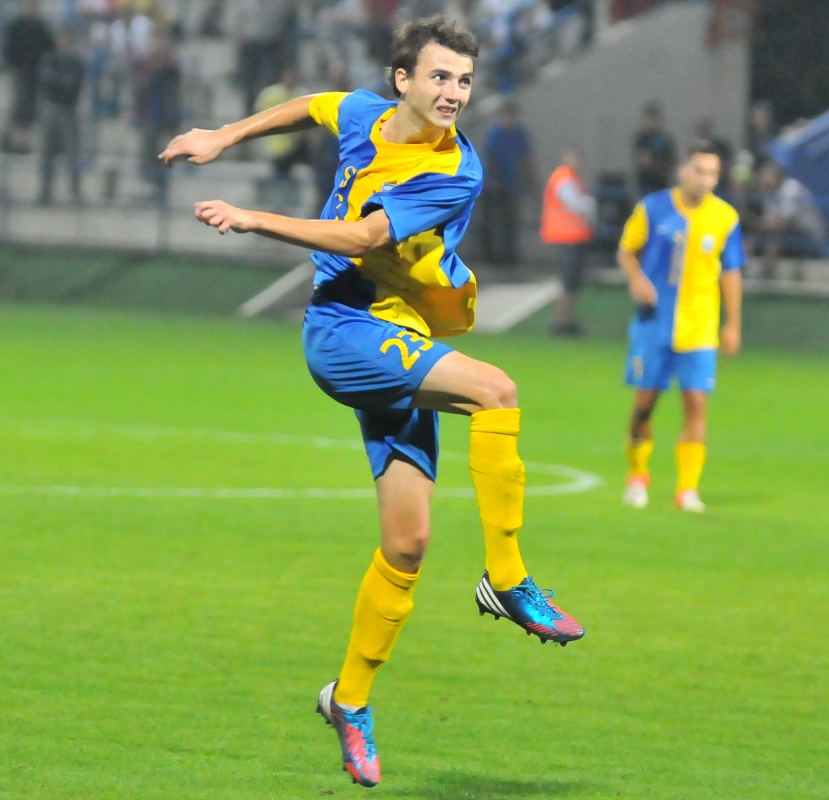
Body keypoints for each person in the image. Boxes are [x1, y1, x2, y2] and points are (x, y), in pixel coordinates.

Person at [159, 15, 584, 789]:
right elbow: (312, 108)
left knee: (407, 545)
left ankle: (347, 701)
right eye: (440, 76)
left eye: (463, 80)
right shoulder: (365, 114)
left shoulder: (456, 169)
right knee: (496, 392)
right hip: (344, 331)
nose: (453, 92)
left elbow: (364, 237)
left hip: (400, 334)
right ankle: (507, 578)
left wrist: (252, 217)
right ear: (402, 80)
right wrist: (226, 135)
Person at [618, 141, 744, 513]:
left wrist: (733, 324)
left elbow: (732, 272)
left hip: (700, 328)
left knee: (696, 404)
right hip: (654, 324)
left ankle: (687, 489)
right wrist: (636, 279)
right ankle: (637, 476)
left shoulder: (725, 218)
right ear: (683, 171)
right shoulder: (653, 208)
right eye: (700, 171)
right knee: (644, 406)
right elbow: (627, 250)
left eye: (713, 173)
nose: (706, 179)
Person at [540, 145, 595, 336]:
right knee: (568, 281)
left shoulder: (568, 177)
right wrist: (590, 204)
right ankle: (561, 320)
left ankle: (565, 319)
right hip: (566, 237)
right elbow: (574, 203)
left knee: (570, 281)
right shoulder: (565, 178)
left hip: (570, 236)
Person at [479, 98, 534, 266]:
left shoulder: (519, 134)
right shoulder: (495, 133)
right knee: (490, 221)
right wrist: (494, 180)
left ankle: (509, 255)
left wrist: (529, 181)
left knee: (510, 221)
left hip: (511, 184)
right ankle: (489, 256)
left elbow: (525, 159)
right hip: (492, 185)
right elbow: (491, 158)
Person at [753, 161, 827, 281]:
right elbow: (770, 218)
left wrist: (762, 225)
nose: (765, 179)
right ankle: (742, 268)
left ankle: (767, 272)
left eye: (768, 176)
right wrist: (760, 225)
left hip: (809, 232)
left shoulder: (792, 188)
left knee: (775, 236)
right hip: (789, 230)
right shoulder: (769, 191)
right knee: (756, 234)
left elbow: (788, 220)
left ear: (778, 176)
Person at [37, 28, 85, 206]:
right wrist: (61, 83)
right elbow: (46, 81)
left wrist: (59, 83)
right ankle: (45, 192)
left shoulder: (76, 63)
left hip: (68, 111)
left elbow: (72, 85)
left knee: (72, 155)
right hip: (51, 110)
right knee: (47, 154)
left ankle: (75, 193)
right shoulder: (49, 60)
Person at [2, 0, 55, 154]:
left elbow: (49, 47)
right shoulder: (16, 25)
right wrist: (15, 65)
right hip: (20, 72)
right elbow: (8, 48)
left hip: (34, 73)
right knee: (19, 106)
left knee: (30, 109)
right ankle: (8, 137)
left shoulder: (40, 27)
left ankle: (22, 142)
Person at [632, 100, 676, 196]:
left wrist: (659, 165)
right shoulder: (642, 138)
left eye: (656, 118)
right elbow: (644, 161)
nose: (653, 121)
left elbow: (671, 161)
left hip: (662, 182)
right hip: (646, 183)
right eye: (651, 118)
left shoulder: (666, 139)